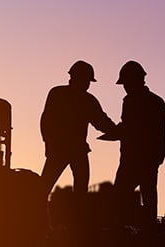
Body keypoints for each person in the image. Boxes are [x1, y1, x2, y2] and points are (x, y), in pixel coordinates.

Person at [39, 60, 117, 199]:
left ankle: (35, 214)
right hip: (68, 149)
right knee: (69, 189)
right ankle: (75, 217)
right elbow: (102, 123)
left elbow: (101, 121)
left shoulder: (59, 93)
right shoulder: (84, 99)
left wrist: (49, 144)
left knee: (45, 187)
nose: (88, 84)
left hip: (67, 149)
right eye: (87, 80)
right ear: (77, 78)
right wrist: (119, 131)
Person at [107, 60, 165, 227]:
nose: (125, 87)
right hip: (147, 158)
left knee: (120, 197)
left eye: (126, 83)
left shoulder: (133, 102)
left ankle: (119, 232)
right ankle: (147, 233)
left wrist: (114, 133)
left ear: (136, 81)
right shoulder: (157, 101)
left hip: (135, 159)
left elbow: (132, 128)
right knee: (148, 197)